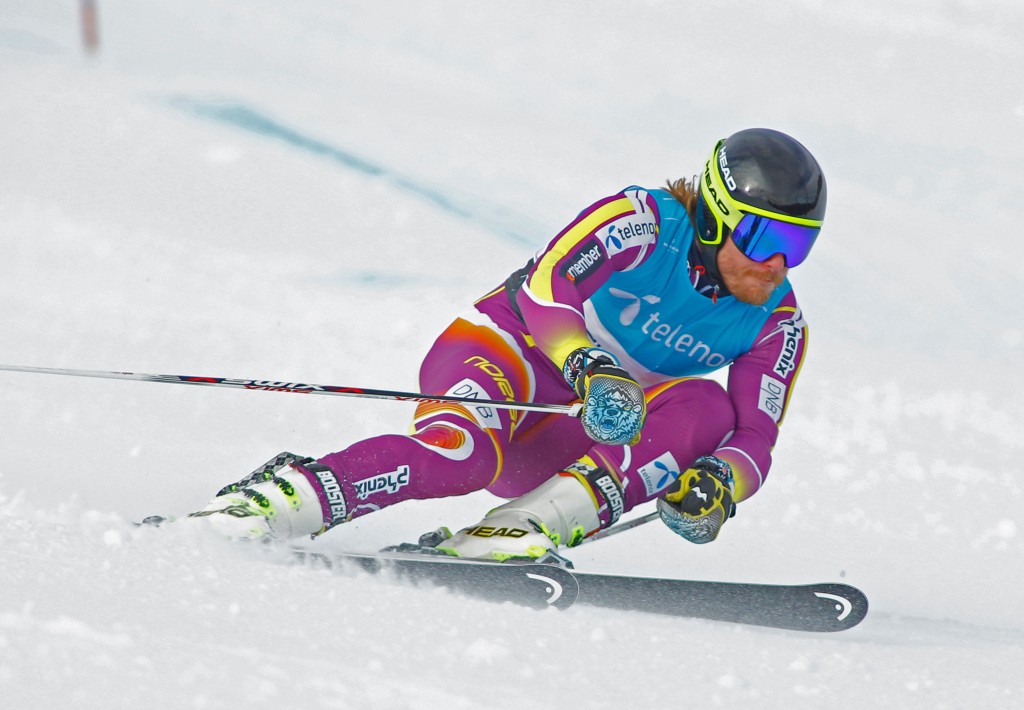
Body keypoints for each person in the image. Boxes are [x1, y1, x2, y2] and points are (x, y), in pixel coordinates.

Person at [194, 127, 827, 561]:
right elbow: (547, 289)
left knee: (708, 411)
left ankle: (520, 528)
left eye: (796, 246)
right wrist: (590, 366)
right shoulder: (642, 220)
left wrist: (720, 485)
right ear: (715, 214)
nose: (775, 264)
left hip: (582, 429)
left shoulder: (778, 322)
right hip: (508, 357)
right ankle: (278, 501)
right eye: (762, 237)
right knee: (461, 457)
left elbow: (754, 440)